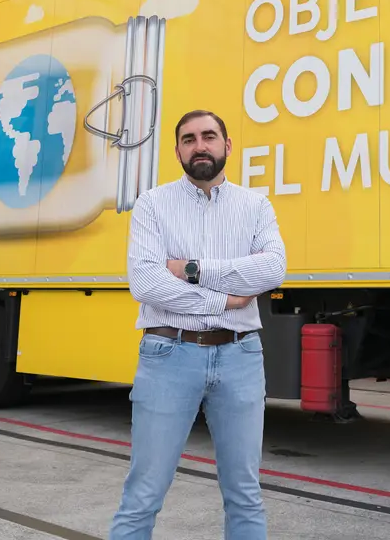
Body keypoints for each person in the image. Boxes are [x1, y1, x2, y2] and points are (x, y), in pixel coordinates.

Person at [109, 109, 287, 540]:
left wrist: (191, 269)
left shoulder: (255, 205)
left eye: (209, 136)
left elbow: (273, 270)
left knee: (245, 493)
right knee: (144, 493)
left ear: (228, 145)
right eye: (189, 139)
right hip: (169, 354)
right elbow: (147, 283)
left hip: (241, 355)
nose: (199, 145)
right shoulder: (153, 205)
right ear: (177, 152)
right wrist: (227, 296)